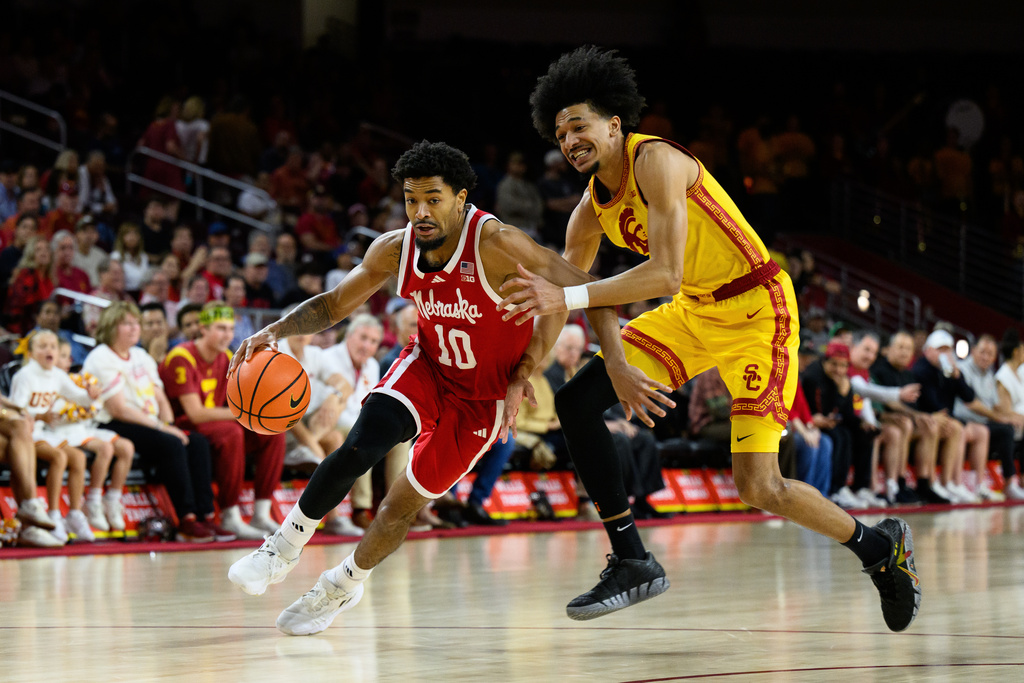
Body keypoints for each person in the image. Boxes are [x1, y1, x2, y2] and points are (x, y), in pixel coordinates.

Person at [498, 46, 920, 629]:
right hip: (692, 311)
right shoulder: (588, 213)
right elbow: (564, 296)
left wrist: (568, 299)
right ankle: (630, 559)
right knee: (575, 398)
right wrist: (526, 371)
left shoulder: (659, 162)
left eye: (580, 125)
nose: (568, 140)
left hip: (758, 309)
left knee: (758, 485)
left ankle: (878, 548)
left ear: (615, 124)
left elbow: (659, 273)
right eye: (560, 132)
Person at [226, 140, 603, 636]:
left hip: (482, 399)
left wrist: (525, 369)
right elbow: (335, 304)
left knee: (398, 506)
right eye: (410, 199)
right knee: (364, 439)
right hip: (427, 365)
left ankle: (342, 585)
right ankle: (284, 545)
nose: (420, 212)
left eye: (433, 199)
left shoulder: (499, 244)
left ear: (461, 198)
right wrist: (275, 330)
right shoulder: (395, 248)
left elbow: (577, 293)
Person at [83, 302, 225, 543]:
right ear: (110, 327)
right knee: (171, 443)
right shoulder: (101, 358)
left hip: (148, 423)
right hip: (112, 424)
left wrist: (170, 424)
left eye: (136, 323)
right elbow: (119, 409)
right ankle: (186, 520)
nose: (134, 328)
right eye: (127, 323)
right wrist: (163, 428)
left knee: (196, 441)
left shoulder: (140, 355)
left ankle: (206, 515)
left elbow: (159, 396)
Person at [159, 302, 285, 540]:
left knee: (272, 431)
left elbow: (239, 402)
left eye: (229, 329)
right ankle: (230, 514)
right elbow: (195, 413)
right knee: (232, 432)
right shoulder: (181, 357)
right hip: (182, 426)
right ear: (203, 329)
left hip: (216, 424)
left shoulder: (228, 356)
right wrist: (247, 414)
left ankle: (261, 512)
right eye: (220, 328)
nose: (227, 335)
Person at [9, 330, 102, 542]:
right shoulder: (24, 376)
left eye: (53, 346)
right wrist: (39, 415)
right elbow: (16, 410)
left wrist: (90, 394)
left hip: (45, 433)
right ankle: (52, 515)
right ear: (31, 353)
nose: (49, 350)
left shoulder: (57, 375)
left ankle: (74, 514)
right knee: (60, 457)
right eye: (43, 346)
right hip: (26, 434)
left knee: (78, 458)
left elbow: (78, 397)